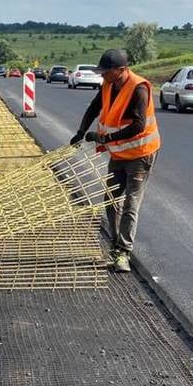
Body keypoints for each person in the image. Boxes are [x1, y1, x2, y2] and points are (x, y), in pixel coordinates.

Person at [69, 48, 161, 273]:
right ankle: (115, 245)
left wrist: (106, 137)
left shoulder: (138, 88)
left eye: (106, 73)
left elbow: (139, 125)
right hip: (119, 154)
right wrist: (81, 131)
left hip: (141, 154)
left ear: (121, 70)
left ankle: (124, 252)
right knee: (110, 199)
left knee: (131, 203)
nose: (103, 76)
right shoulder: (109, 84)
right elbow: (94, 107)